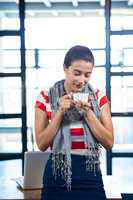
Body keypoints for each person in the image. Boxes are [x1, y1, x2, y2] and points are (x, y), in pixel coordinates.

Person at [35, 45, 114, 200]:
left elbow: (109, 142)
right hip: (56, 174)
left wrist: (88, 113)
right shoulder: (45, 96)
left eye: (87, 75)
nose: (82, 80)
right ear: (65, 68)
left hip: (90, 174)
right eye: (77, 73)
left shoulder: (98, 97)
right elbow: (41, 143)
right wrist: (59, 112)